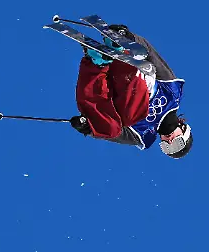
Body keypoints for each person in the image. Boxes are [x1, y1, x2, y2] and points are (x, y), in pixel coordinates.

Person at [69, 24, 193, 158]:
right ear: (184, 129)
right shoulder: (173, 95)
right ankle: (119, 48)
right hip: (135, 75)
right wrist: (130, 38)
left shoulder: (143, 136)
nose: (169, 141)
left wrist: (90, 127)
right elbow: (153, 56)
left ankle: (96, 61)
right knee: (133, 115)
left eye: (166, 147)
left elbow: (112, 134)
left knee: (109, 126)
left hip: (112, 83)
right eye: (177, 143)